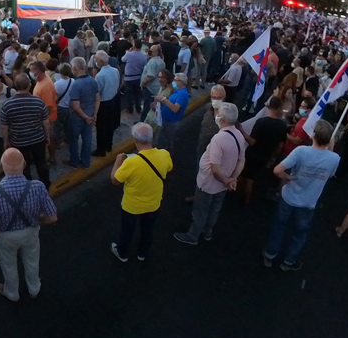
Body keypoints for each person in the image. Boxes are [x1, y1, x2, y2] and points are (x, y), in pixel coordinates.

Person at [262, 119, 339, 271]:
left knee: (279, 227)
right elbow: (329, 176)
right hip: (308, 202)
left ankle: (270, 255)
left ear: (313, 136)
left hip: (289, 197)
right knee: (299, 233)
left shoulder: (301, 151)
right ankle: (289, 262)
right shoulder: (334, 158)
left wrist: (288, 177)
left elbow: (277, 170)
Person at [0, 148, 58, 301]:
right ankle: (34, 289)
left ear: (1, 166)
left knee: (8, 266)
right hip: (30, 232)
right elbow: (53, 217)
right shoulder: (37, 186)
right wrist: (38, 221)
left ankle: (12, 293)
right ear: (24, 164)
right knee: (32, 261)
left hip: (5, 236)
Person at [174, 102, 245, 245]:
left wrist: (226, 180)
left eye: (218, 114)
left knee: (200, 210)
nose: (216, 116)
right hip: (223, 184)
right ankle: (207, 232)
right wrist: (232, 179)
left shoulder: (218, 139)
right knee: (215, 209)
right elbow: (241, 160)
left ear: (222, 119)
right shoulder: (239, 134)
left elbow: (215, 168)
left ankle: (193, 235)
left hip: (208, 183)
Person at [109, 123, 173, 262]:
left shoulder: (131, 162)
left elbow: (115, 180)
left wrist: (117, 162)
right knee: (147, 230)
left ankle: (122, 253)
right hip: (154, 203)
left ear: (135, 140)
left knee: (127, 231)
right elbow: (168, 168)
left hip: (132, 206)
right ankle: (142, 253)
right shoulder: (164, 155)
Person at [1, 74, 52, 188]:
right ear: (29, 85)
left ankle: (27, 186)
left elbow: (5, 127)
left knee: (24, 166)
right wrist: (47, 136)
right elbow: (46, 122)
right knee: (41, 163)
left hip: (19, 141)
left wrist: (6, 141)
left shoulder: (7, 105)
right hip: (37, 139)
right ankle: (45, 184)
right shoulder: (39, 102)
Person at [239, 96, 288, 205]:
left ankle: (244, 199)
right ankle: (251, 199)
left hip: (252, 154)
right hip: (266, 155)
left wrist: (241, 131)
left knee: (247, 177)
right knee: (256, 178)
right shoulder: (282, 125)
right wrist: (273, 158)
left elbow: (252, 141)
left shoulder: (261, 122)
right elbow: (280, 145)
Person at [67, 57, 99, 169]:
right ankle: (86, 162)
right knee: (87, 140)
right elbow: (97, 98)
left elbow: (76, 106)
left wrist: (85, 117)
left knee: (74, 140)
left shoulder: (76, 84)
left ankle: (74, 161)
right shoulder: (92, 80)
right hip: (90, 116)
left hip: (77, 118)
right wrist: (94, 115)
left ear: (75, 68)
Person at [92, 50, 120, 157]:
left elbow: (97, 94)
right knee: (110, 125)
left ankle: (101, 150)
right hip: (113, 101)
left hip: (104, 104)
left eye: (96, 60)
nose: (95, 62)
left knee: (101, 127)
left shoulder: (100, 76)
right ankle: (109, 145)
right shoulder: (115, 71)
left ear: (101, 61)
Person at [29, 61, 58, 164]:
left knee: (49, 138)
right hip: (45, 117)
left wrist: (43, 120)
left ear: (37, 72)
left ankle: (52, 157)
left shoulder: (45, 86)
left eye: (31, 70)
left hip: (47, 118)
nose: (30, 73)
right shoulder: (42, 79)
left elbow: (48, 106)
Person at [154, 73, 190, 153]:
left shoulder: (182, 94)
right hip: (166, 120)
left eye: (175, 80)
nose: (173, 82)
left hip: (170, 122)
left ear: (181, 82)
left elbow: (175, 109)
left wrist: (164, 99)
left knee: (163, 142)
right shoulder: (177, 92)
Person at [140, 45, 165, 122]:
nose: (149, 52)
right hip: (156, 87)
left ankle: (143, 121)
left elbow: (151, 76)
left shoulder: (152, 62)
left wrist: (143, 83)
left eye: (151, 51)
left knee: (147, 106)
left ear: (156, 52)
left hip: (149, 87)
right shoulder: (161, 61)